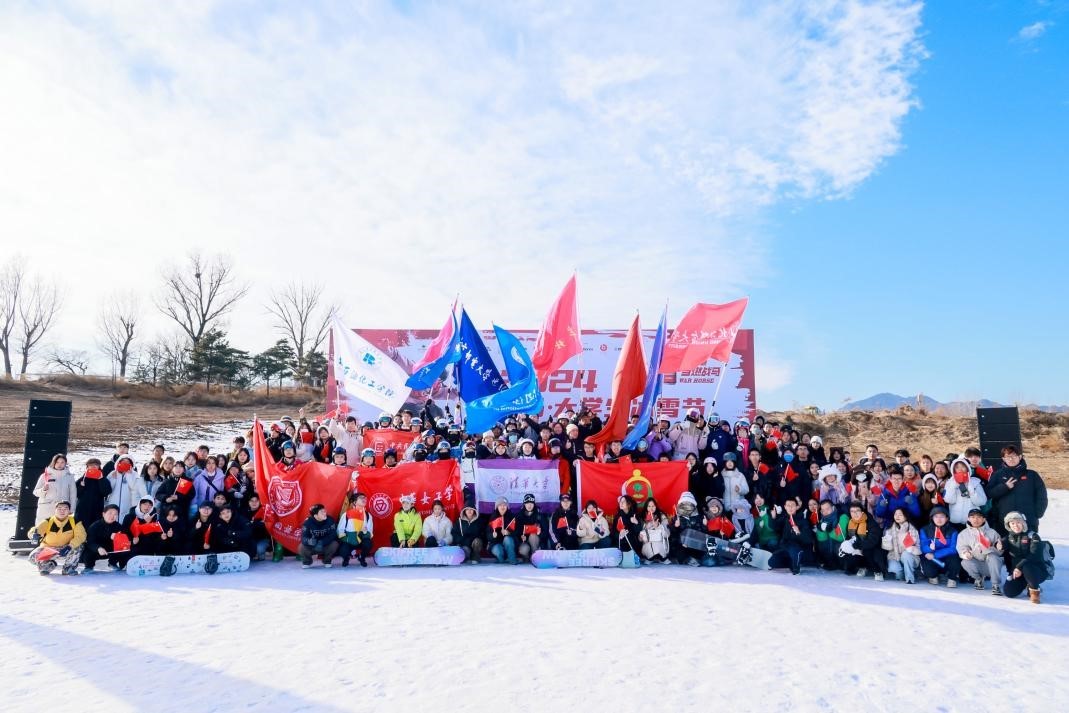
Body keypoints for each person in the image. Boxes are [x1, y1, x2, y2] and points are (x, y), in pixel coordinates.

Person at [986, 446, 1047, 533]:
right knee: (1005, 545)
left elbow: (1042, 496)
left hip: (1028, 520)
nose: (1011, 459)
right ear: (1003, 459)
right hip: (1003, 521)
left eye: (1014, 456)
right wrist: (1004, 487)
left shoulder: (1032, 475)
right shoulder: (997, 475)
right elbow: (988, 493)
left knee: (1029, 545)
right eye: (1007, 457)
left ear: (1020, 456)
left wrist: (1038, 513)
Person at [1001, 511, 1052, 603]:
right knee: (1009, 592)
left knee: (1027, 567)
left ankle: (1034, 590)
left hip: (1036, 570)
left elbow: (1033, 555)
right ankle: (1027, 583)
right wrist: (998, 545)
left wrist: (1019, 567)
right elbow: (1001, 545)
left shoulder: (1033, 536)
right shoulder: (1009, 537)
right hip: (1018, 572)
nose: (1015, 525)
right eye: (1012, 523)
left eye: (1018, 522)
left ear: (1023, 523)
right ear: (1009, 525)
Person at [28, 501, 86, 575]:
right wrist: (33, 535)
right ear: (55, 510)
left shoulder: (75, 522)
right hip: (49, 549)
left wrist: (69, 546)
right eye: (59, 509)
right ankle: (48, 565)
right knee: (32, 558)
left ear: (69, 511)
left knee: (79, 546)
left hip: (66, 548)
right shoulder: (48, 521)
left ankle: (68, 568)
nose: (62, 511)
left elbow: (81, 536)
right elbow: (36, 529)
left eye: (65, 509)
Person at [957, 508, 1005, 595]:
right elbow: (961, 548)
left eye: (979, 517)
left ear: (984, 519)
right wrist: (966, 554)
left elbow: (1000, 552)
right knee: (965, 562)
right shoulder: (963, 534)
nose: (976, 520)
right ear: (968, 519)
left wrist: (998, 548)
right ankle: (978, 579)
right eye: (972, 517)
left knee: (993, 557)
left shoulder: (992, 532)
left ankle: (995, 584)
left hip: (991, 565)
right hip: (977, 563)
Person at [839, 501, 885, 580]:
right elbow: (848, 537)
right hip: (857, 546)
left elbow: (873, 541)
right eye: (852, 511)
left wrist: (858, 546)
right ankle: (862, 567)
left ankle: (877, 571)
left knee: (867, 552)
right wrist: (846, 545)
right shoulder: (850, 523)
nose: (855, 513)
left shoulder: (871, 523)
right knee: (847, 551)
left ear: (862, 511)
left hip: (872, 548)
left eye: (857, 511)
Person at [768, 498, 813, 575]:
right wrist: (773, 517)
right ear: (785, 507)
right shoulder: (784, 518)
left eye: (793, 505)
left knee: (793, 548)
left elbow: (808, 539)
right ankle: (792, 562)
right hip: (785, 548)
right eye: (788, 505)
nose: (790, 507)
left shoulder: (802, 520)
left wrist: (799, 532)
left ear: (797, 507)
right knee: (771, 562)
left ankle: (796, 566)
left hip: (798, 547)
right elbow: (774, 527)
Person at [919, 506, 961, 587]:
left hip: (945, 557)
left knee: (954, 558)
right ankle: (933, 576)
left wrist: (935, 554)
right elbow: (923, 546)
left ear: (947, 518)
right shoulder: (925, 530)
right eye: (936, 516)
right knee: (928, 568)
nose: (939, 519)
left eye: (942, 516)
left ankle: (952, 578)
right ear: (932, 518)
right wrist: (929, 549)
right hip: (931, 557)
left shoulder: (953, 531)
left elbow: (953, 549)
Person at [82, 504, 131, 571]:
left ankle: (113, 563)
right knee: (87, 551)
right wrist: (98, 548)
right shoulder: (95, 526)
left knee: (125, 549)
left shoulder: (118, 526)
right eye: (110, 513)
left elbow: (124, 542)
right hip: (97, 549)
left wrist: (118, 538)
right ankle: (89, 567)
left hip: (110, 550)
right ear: (103, 514)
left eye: (115, 514)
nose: (112, 516)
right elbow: (90, 542)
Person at [33, 454, 77, 524]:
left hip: (62, 509)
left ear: (65, 463)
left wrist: (71, 509)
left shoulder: (70, 477)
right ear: (54, 463)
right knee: (44, 529)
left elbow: (73, 494)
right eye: (57, 462)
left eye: (62, 462)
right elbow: (35, 492)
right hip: (47, 508)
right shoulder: (45, 475)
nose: (60, 464)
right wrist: (43, 490)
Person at [882, 507, 922, 584]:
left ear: (906, 516)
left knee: (906, 554)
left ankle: (910, 578)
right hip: (894, 555)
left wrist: (910, 547)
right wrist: (887, 541)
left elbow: (917, 545)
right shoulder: (889, 529)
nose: (897, 516)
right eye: (895, 514)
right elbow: (887, 548)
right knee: (895, 570)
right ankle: (901, 572)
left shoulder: (912, 529)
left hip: (910, 555)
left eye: (900, 514)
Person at [943, 458, 987, 527]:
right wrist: (954, 486)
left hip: (972, 522)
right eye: (957, 467)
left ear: (967, 468)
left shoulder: (975, 482)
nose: (960, 469)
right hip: (955, 521)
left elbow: (982, 502)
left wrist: (971, 490)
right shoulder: (950, 482)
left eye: (963, 466)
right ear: (954, 470)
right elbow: (949, 500)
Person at [668, 492, 705, 565]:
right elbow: (672, 535)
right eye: (685, 503)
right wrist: (675, 527)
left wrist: (704, 525)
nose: (687, 506)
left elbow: (702, 533)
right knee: (680, 554)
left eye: (689, 503)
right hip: (682, 545)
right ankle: (687, 559)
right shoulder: (677, 517)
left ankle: (693, 559)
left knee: (700, 554)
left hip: (695, 544)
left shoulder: (699, 517)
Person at [74, 457, 112, 528]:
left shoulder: (103, 479)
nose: (93, 467)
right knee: (81, 528)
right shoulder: (82, 479)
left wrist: (101, 480)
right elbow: (76, 494)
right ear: (87, 467)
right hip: (82, 509)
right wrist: (81, 487)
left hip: (97, 509)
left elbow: (106, 492)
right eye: (91, 465)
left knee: (94, 528)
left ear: (99, 467)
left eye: (96, 465)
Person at [299, 504, 339, 568]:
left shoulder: (330, 520)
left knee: (334, 544)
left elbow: (333, 535)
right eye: (322, 512)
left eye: (324, 511)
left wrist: (322, 542)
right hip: (313, 545)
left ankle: (327, 560)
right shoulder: (307, 522)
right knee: (301, 546)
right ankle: (307, 562)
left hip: (325, 545)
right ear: (315, 515)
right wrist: (310, 541)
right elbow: (303, 537)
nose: (325, 513)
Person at [814, 499, 848, 570]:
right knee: (822, 544)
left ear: (833, 508)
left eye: (827, 509)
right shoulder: (823, 519)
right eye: (823, 510)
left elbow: (841, 537)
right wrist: (821, 529)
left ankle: (844, 564)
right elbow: (821, 539)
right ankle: (829, 563)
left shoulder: (842, 517)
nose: (825, 512)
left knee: (837, 545)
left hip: (842, 549)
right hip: (830, 553)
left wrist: (829, 530)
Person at [487, 497, 519, 563]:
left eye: (504, 505)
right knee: (498, 551)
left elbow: (517, 532)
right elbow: (487, 535)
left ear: (507, 507)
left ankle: (512, 560)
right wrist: (493, 536)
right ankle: (501, 559)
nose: (502, 507)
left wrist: (509, 533)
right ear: (497, 507)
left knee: (508, 539)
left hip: (509, 544)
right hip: (496, 543)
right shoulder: (492, 518)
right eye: (500, 505)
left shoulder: (512, 517)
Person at [452, 499, 484, 563]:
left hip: (475, 545)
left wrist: (476, 539)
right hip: (464, 544)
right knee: (465, 552)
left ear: (474, 510)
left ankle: (475, 557)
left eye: (471, 509)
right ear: (464, 511)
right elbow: (454, 533)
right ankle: (466, 557)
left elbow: (482, 534)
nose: (469, 511)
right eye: (467, 509)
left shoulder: (479, 521)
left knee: (477, 541)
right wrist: (462, 540)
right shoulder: (459, 521)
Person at [638, 498, 670, 562]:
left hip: (660, 544)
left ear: (656, 506)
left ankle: (661, 557)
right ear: (646, 507)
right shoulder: (642, 517)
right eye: (649, 506)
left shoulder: (661, 516)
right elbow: (640, 536)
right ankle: (650, 557)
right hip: (647, 545)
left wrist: (658, 527)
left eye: (653, 506)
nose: (651, 508)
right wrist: (641, 536)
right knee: (649, 549)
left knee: (658, 547)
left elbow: (667, 534)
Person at [515, 493, 543, 561]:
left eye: (531, 503)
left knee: (533, 535)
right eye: (527, 503)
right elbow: (516, 532)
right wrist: (521, 537)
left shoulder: (539, 515)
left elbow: (545, 531)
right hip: (524, 542)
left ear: (534, 504)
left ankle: (535, 557)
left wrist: (540, 533)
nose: (529, 505)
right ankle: (527, 558)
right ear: (524, 504)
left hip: (536, 541)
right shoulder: (519, 515)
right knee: (523, 550)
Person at [242, 493, 270, 561]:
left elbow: (265, 526)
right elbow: (244, 526)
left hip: (262, 538)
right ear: (248, 502)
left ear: (260, 501)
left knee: (259, 549)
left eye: (256, 501)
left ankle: (262, 554)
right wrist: (256, 524)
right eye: (252, 501)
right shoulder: (244, 512)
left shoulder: (265, 511)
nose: (254, 503)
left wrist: (252, 524)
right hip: (249, 539)